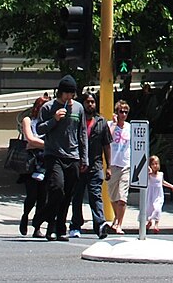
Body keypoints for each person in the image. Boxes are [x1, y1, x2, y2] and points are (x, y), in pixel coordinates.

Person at [34, 74, 88, 241]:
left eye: (72, 94)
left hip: (73, 156)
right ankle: (47, 222)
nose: (69, 97)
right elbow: (40, 129)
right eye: (66, 93)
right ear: (60, 93)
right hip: (54, 154)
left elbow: (83, 133)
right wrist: (54, 119)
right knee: (57, 189)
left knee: (67, 195)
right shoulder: (49, 107)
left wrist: (84, 158)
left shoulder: (78, 108)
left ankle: (59, 228)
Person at [69, 92, 112, 239]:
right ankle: (75, 225)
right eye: (87, 102)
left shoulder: (101, 122)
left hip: (95, 165)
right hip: (78, 164)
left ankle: (100, 225)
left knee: (96, 196)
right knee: (77, 196)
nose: (90, 104)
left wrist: (109, 166)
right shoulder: (76, 120)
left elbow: (107, 145)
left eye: (93, 102)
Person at [17, 93, 48, 238]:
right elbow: (30, 139)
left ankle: (37, 226)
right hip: (31, 163)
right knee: (32, 195)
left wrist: (42, 146)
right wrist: (50, 145)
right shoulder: (28, 120)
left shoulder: (50, 123)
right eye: (42, 107)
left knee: (43, 196)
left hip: (46, 162)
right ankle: (25, 215)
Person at [106, 99, 132, 234]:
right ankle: (116, 218)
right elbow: (106, 139)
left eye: (125, 112)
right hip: (112, 165)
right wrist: (115, 124)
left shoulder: (130, 127)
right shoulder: (110, 125)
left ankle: (119, 224)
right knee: (113, 196)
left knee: (122, 197)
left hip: (125, 165)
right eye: (121, 111)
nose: (123, 114)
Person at [144, 154, 173, 233]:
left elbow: (163, 182)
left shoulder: (160, 174)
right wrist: (149, 171)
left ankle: (156, 224)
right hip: (150, 194)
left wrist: (171, 186)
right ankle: (149, 221)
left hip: (158, 195)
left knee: (157, 208)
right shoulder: (149, 175)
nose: (155, 165)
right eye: (153, 164)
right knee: (150, 209)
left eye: (156, 163)